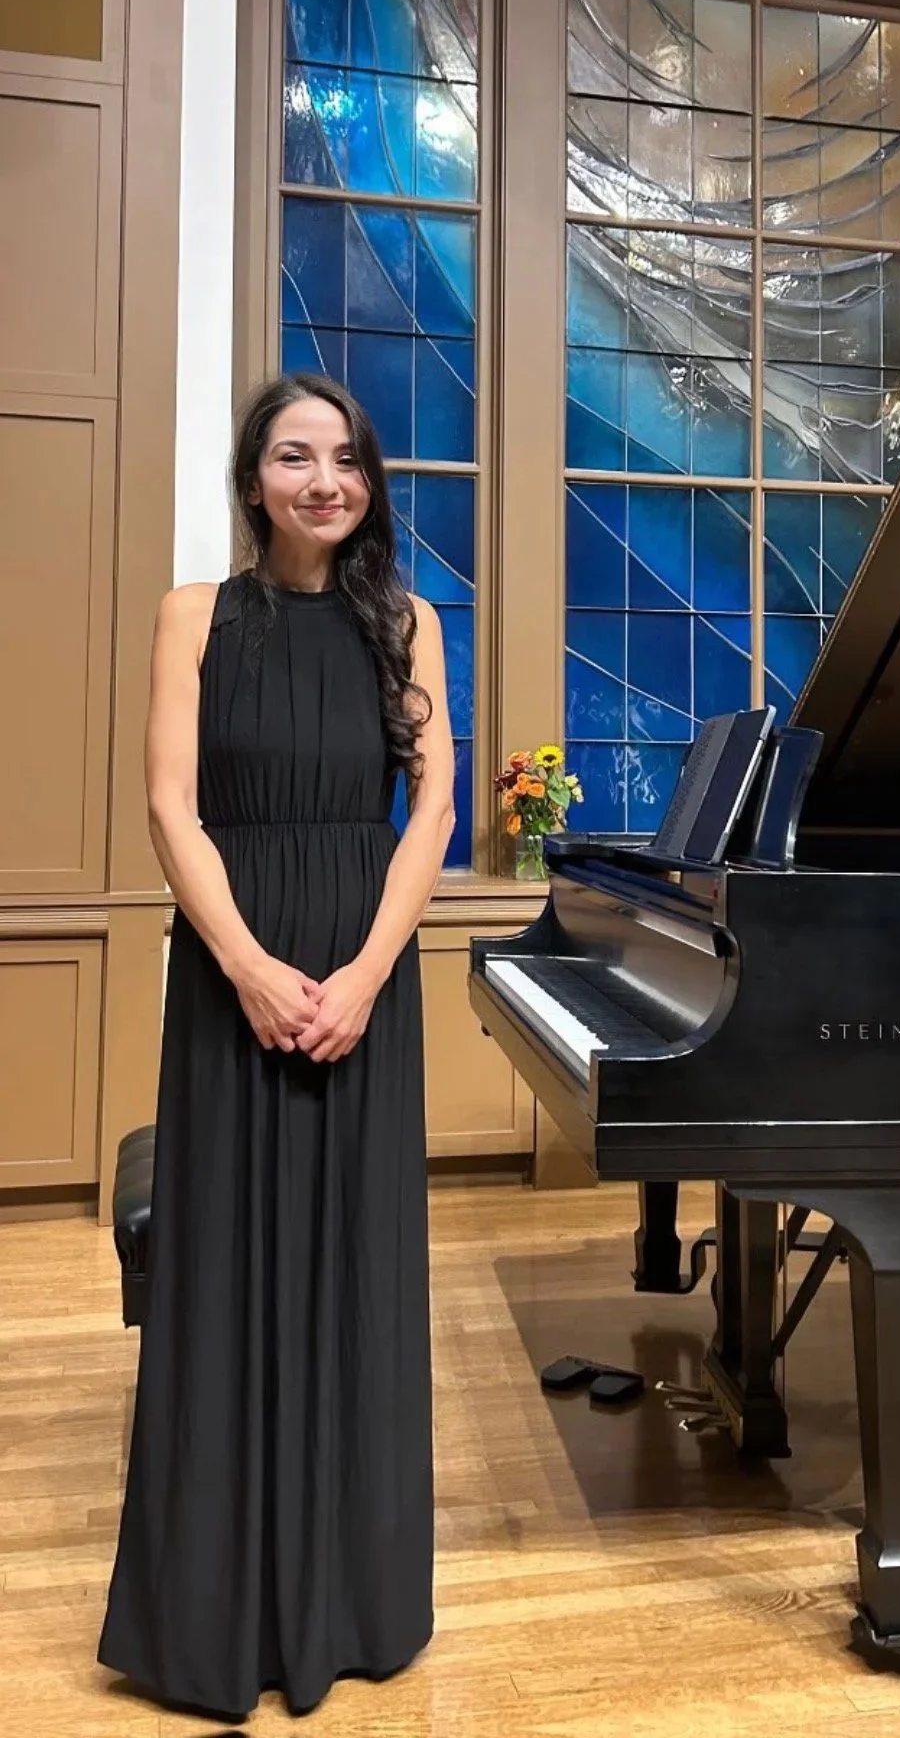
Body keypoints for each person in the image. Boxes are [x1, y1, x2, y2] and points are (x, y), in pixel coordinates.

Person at [98, 373, 454, 1720]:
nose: (325, 480)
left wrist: (363, 973)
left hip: (362, 973)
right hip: (231, 972)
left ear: (367, 482)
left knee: (353, 1271)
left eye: (347, 459)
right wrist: (245, 965)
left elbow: (429, 817)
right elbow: (168, 807)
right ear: (255, 480)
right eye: (296, 457)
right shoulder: (194, 616)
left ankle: (352, 1600)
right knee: (227, 1265)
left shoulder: (407, 624)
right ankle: (214, 1613)